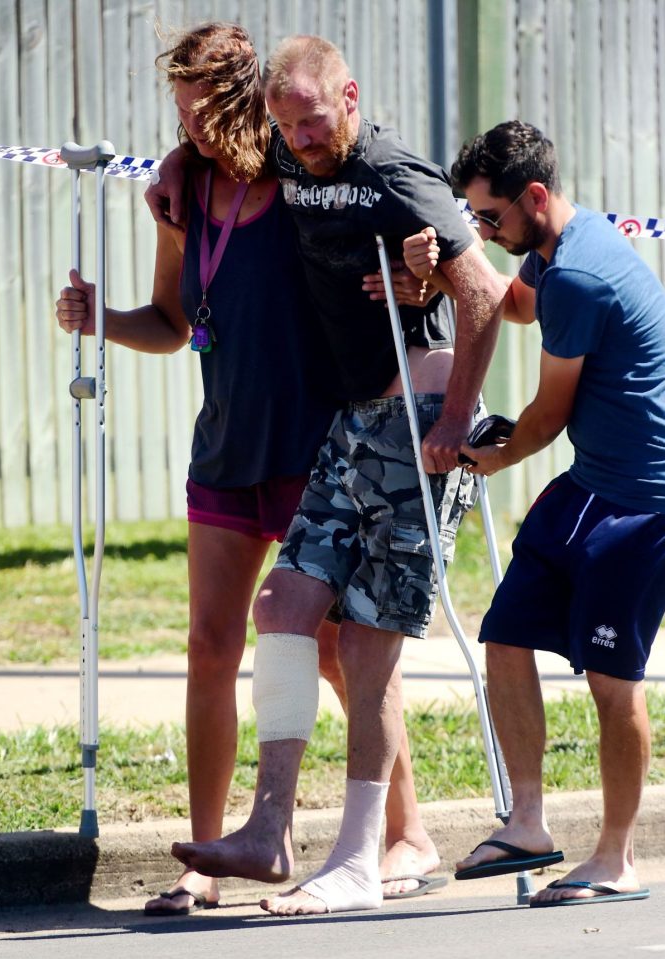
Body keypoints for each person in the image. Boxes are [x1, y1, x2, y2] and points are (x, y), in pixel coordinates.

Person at [56, 23, 440, 916]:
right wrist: (99, 320)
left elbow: (388, 225)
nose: (190, 125)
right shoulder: (184, 190)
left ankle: (405, 832)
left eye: (206, 107)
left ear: (246, 100)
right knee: (209, 645)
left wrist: (417, 275)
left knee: (342, 650)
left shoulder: (305, 173)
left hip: (316, 443)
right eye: (179, 110)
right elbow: (170, 318)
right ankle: (210, 854)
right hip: (227, 444)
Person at [150, 35, 506, 915]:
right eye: (286, 125)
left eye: (311, 120)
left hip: (412, 417)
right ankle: (267, 831)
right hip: (350, 424)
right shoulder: (285, 147)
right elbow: (215, 141)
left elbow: (487, 295)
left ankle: (379, 847)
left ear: (349, 95)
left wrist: (457, 417)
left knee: (363, 641)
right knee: (283, 609)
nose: (299, 139)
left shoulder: (391, 169)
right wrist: (169, 156)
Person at [408, 119, 665, 907]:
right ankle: (526, 821)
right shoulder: (556, 248)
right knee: (505, 633)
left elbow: (545, 419)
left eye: (490, 217)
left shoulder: (583, 274)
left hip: (639, 503)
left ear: (536, 196)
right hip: (589, 483)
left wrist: (478, 450)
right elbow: (513, 305)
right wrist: (453, 264)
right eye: (475, 218)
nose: (482, 228)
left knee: (610, 678)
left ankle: (616, 855)